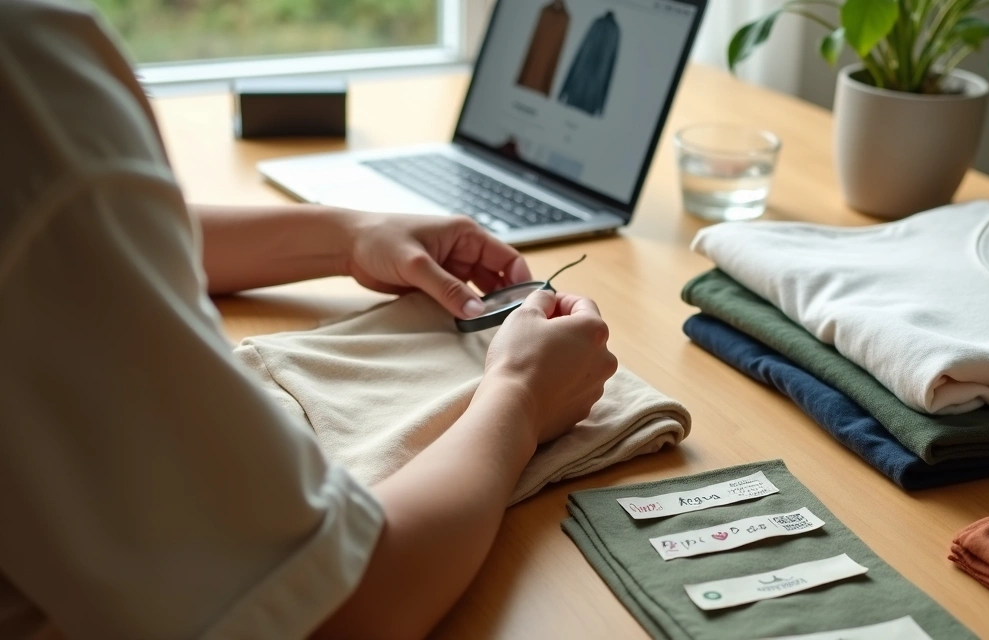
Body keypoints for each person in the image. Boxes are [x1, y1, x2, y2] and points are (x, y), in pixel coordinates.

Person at [0, 1, 618, 638]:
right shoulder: (27, 72)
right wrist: (517, 399)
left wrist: (346, 236)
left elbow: (77, 236)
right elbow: (337, 609)